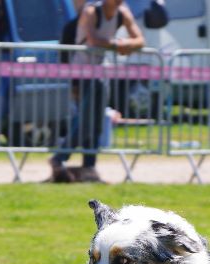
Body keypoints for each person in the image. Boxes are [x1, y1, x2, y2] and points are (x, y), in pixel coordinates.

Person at [49, 0, 144, 183]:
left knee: (96, 122)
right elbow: (93, 40)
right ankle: (61, 158)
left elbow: (140, 40)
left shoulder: (123, 13)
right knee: (86, 120)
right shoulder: (91, 12)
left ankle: (88, 167)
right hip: (81, 72)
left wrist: (124, 43)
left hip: (100, 72)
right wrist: (120, 46)